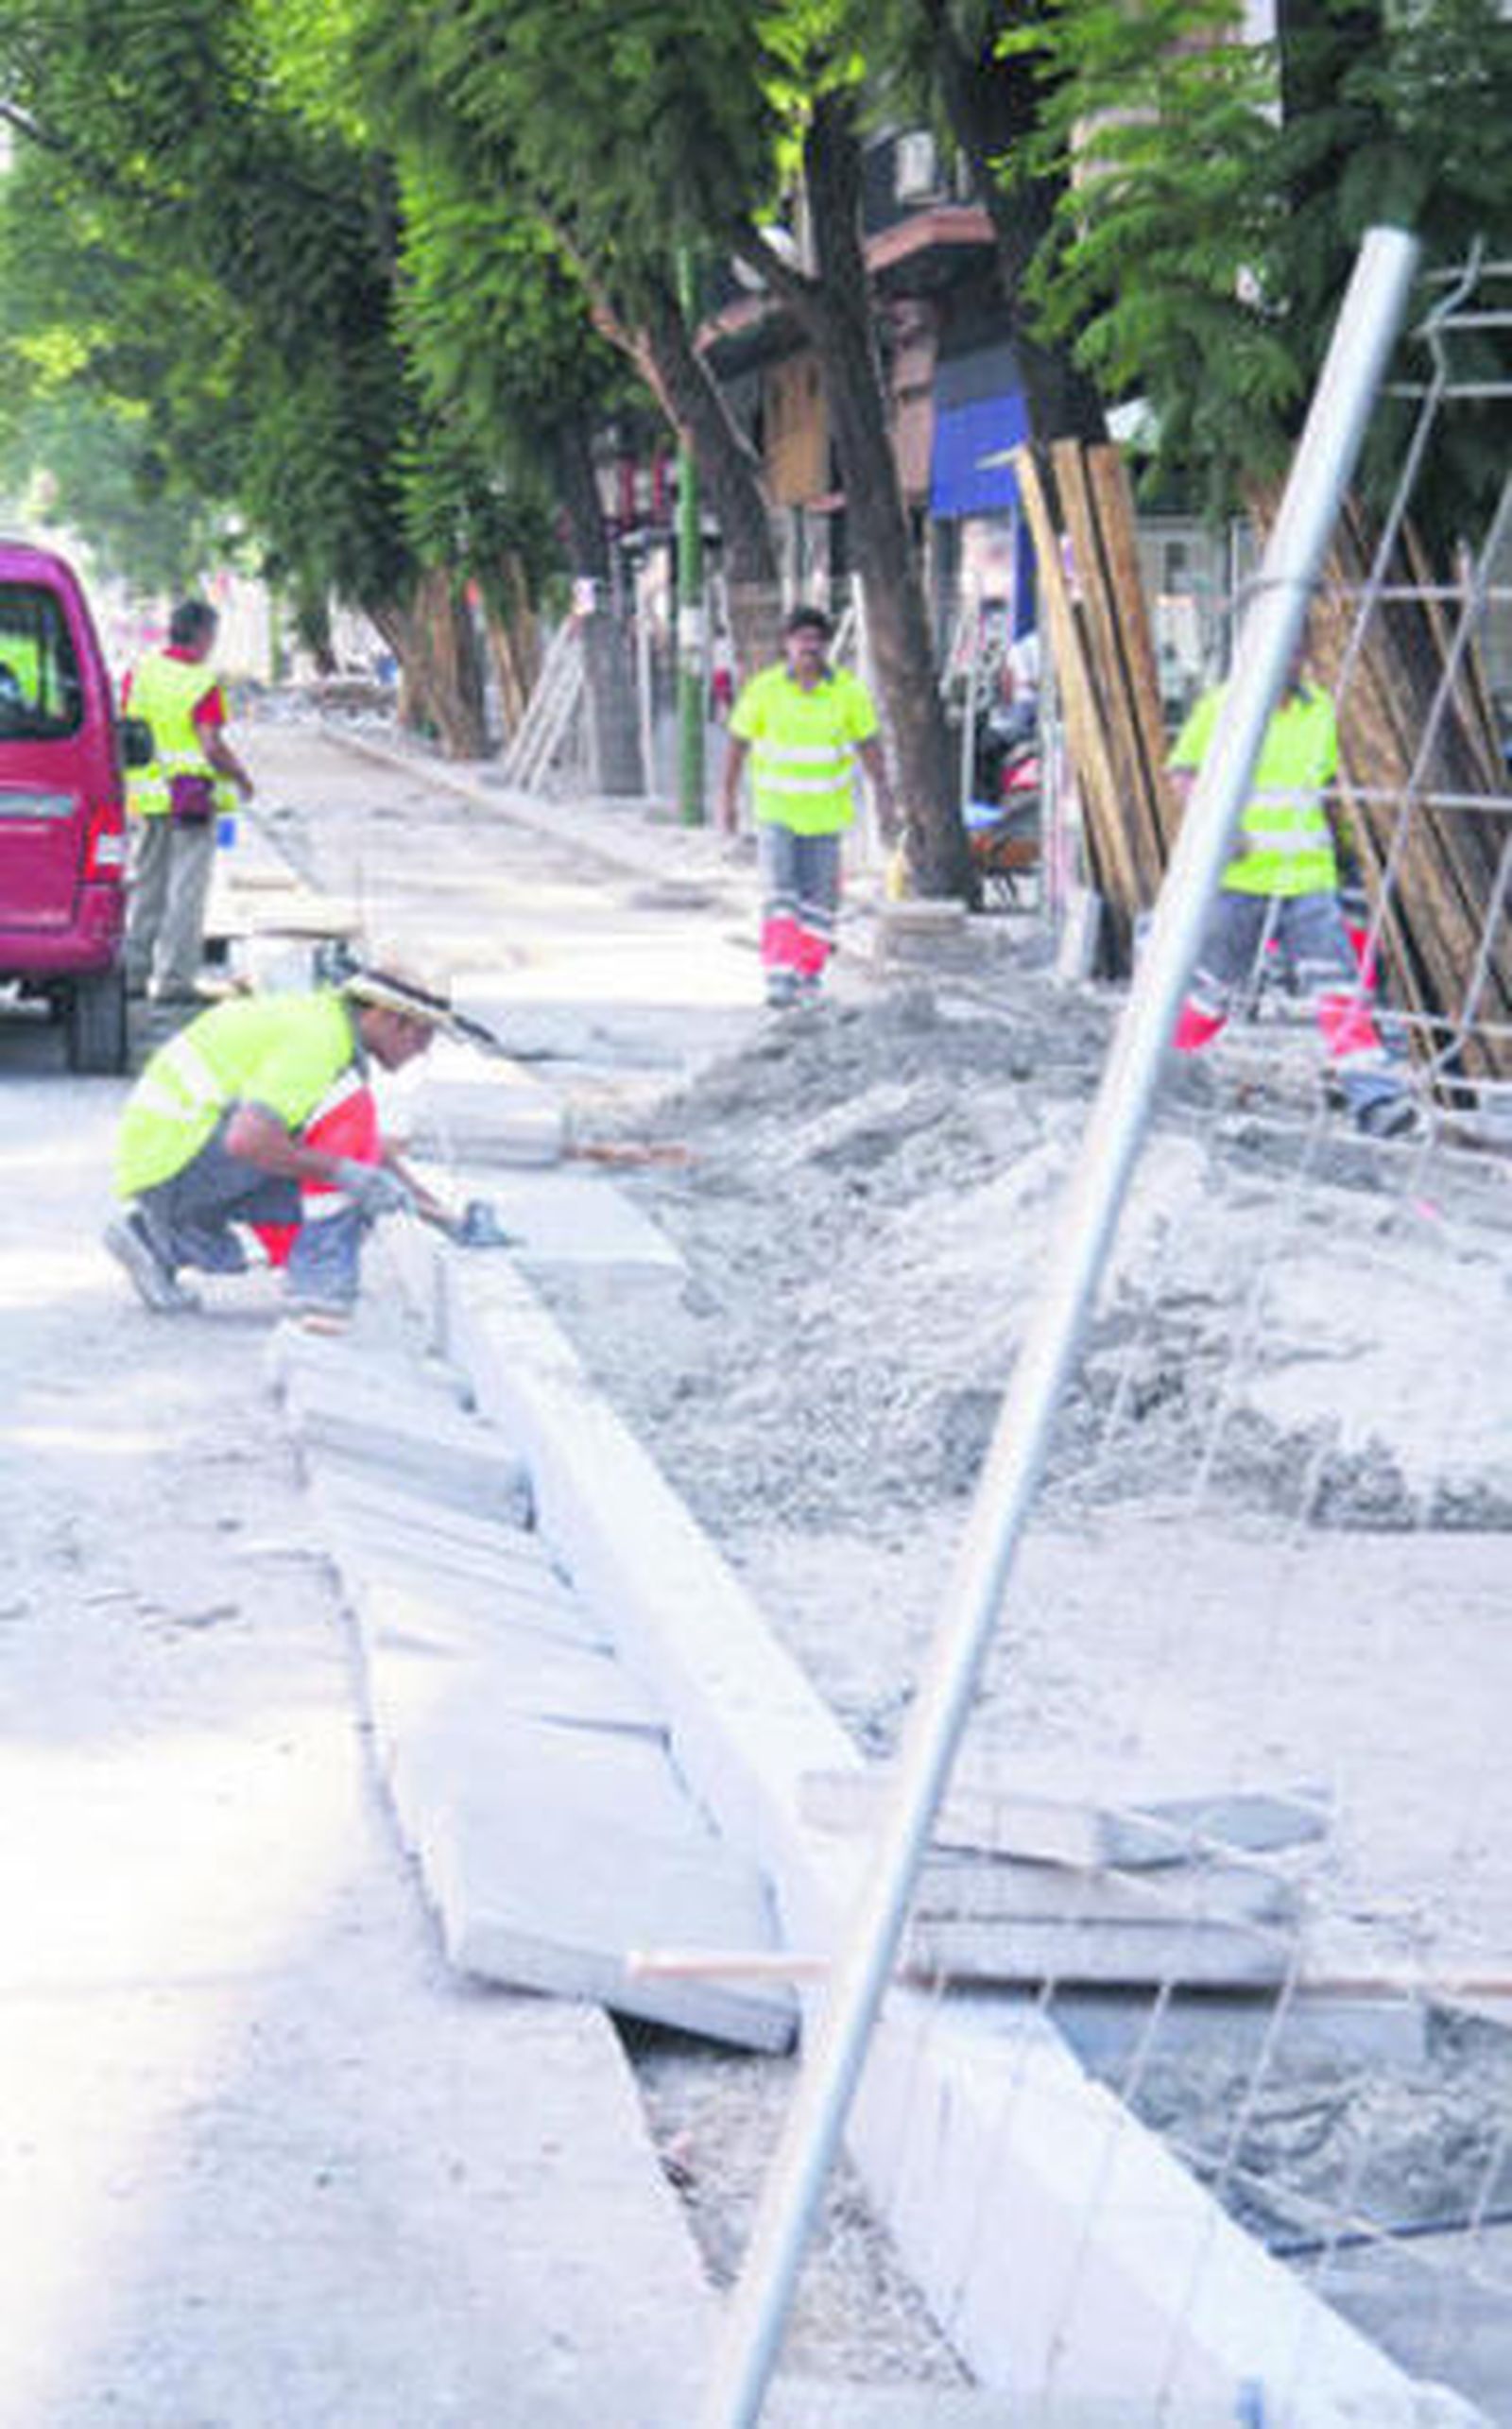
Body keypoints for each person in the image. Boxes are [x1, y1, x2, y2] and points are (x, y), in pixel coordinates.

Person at [103, 952, 457, 1331]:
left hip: (168, 1157)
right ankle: (322, 1291)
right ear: (386, 1017)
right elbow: (249, 1140)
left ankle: (155, 1242)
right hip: (176, 1156)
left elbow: (367, 1152)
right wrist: (349, 1175)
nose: (424, 1050)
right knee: (343, 1160)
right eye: (422, 1035)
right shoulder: (322, 1041)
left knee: (349, 1166)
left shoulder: (327, 1024)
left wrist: (443, 1216)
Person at [1168, 647, 1415, 1139]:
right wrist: (1220, 828)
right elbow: (1183, 773)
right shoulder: (1221, 707)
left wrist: (1345, 850)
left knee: (1340, 986)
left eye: (1299, 652)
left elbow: (1325, 788)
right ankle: (1165, 1063)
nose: (1292, 661)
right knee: (1215, 992)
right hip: (1242, 883)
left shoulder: (1319, 708)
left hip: (1308, 881)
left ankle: (1375, 1100)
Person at [718, 605, 898, 1008]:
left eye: (816, 640)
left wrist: (884, 796)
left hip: (826, 818)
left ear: (826, 646)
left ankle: (808, 976)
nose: (808, 647)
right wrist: (726, 799)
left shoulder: (848, 692)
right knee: (781, 897)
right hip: (777, 815)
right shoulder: (764, 690)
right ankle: (780, 977)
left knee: (819, 905)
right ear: (787, 645)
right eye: (801, 639)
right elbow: (737, 743)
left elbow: (869, 746)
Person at [122, 598, 256, 1005]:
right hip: (191, 799)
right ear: (202, 635)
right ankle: (175, 981)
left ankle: (132, 973)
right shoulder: (201, 682)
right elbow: (210, 745)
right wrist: (242, 777)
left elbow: (125, 728)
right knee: (187, 890)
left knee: (147, 885)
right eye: (213, 635)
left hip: (147, 796)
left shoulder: (140, 673)